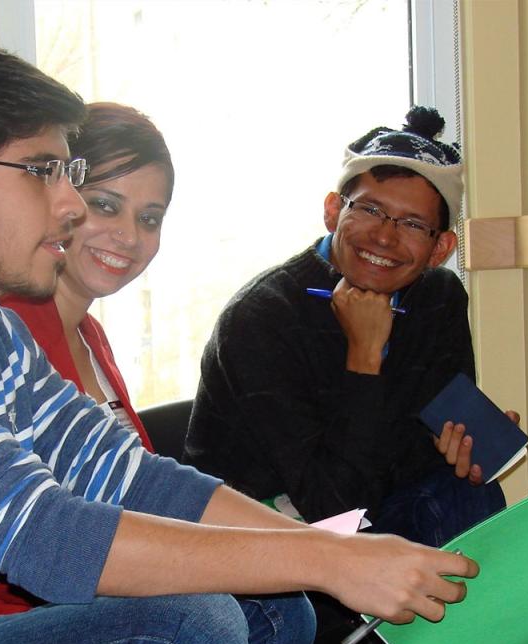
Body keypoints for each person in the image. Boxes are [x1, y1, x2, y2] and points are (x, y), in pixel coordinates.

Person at [0, 42, 478, 644]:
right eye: (44, 171)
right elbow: (42, 533)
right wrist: (333, 560)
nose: (71, 205)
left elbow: (130, 475)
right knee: (187, 627)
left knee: (275, 608)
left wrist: (332, 551)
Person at [186, 107, 507, 548]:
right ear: (333, 211)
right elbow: (334, 508)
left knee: (471, 492)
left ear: (441, 248)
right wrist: (364, 357)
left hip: (377, 511)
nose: (384, 237)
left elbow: (417, 444)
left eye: (413, 224)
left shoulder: (438, 298)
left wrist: (457, 448)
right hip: (265, 544)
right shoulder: (262, 318)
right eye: (370, 210)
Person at [0, 101, 172, 622]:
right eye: (106, 206)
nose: (129, 236)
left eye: (149, 218)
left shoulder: (92, 336)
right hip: (22, 621)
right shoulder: (4, 326)